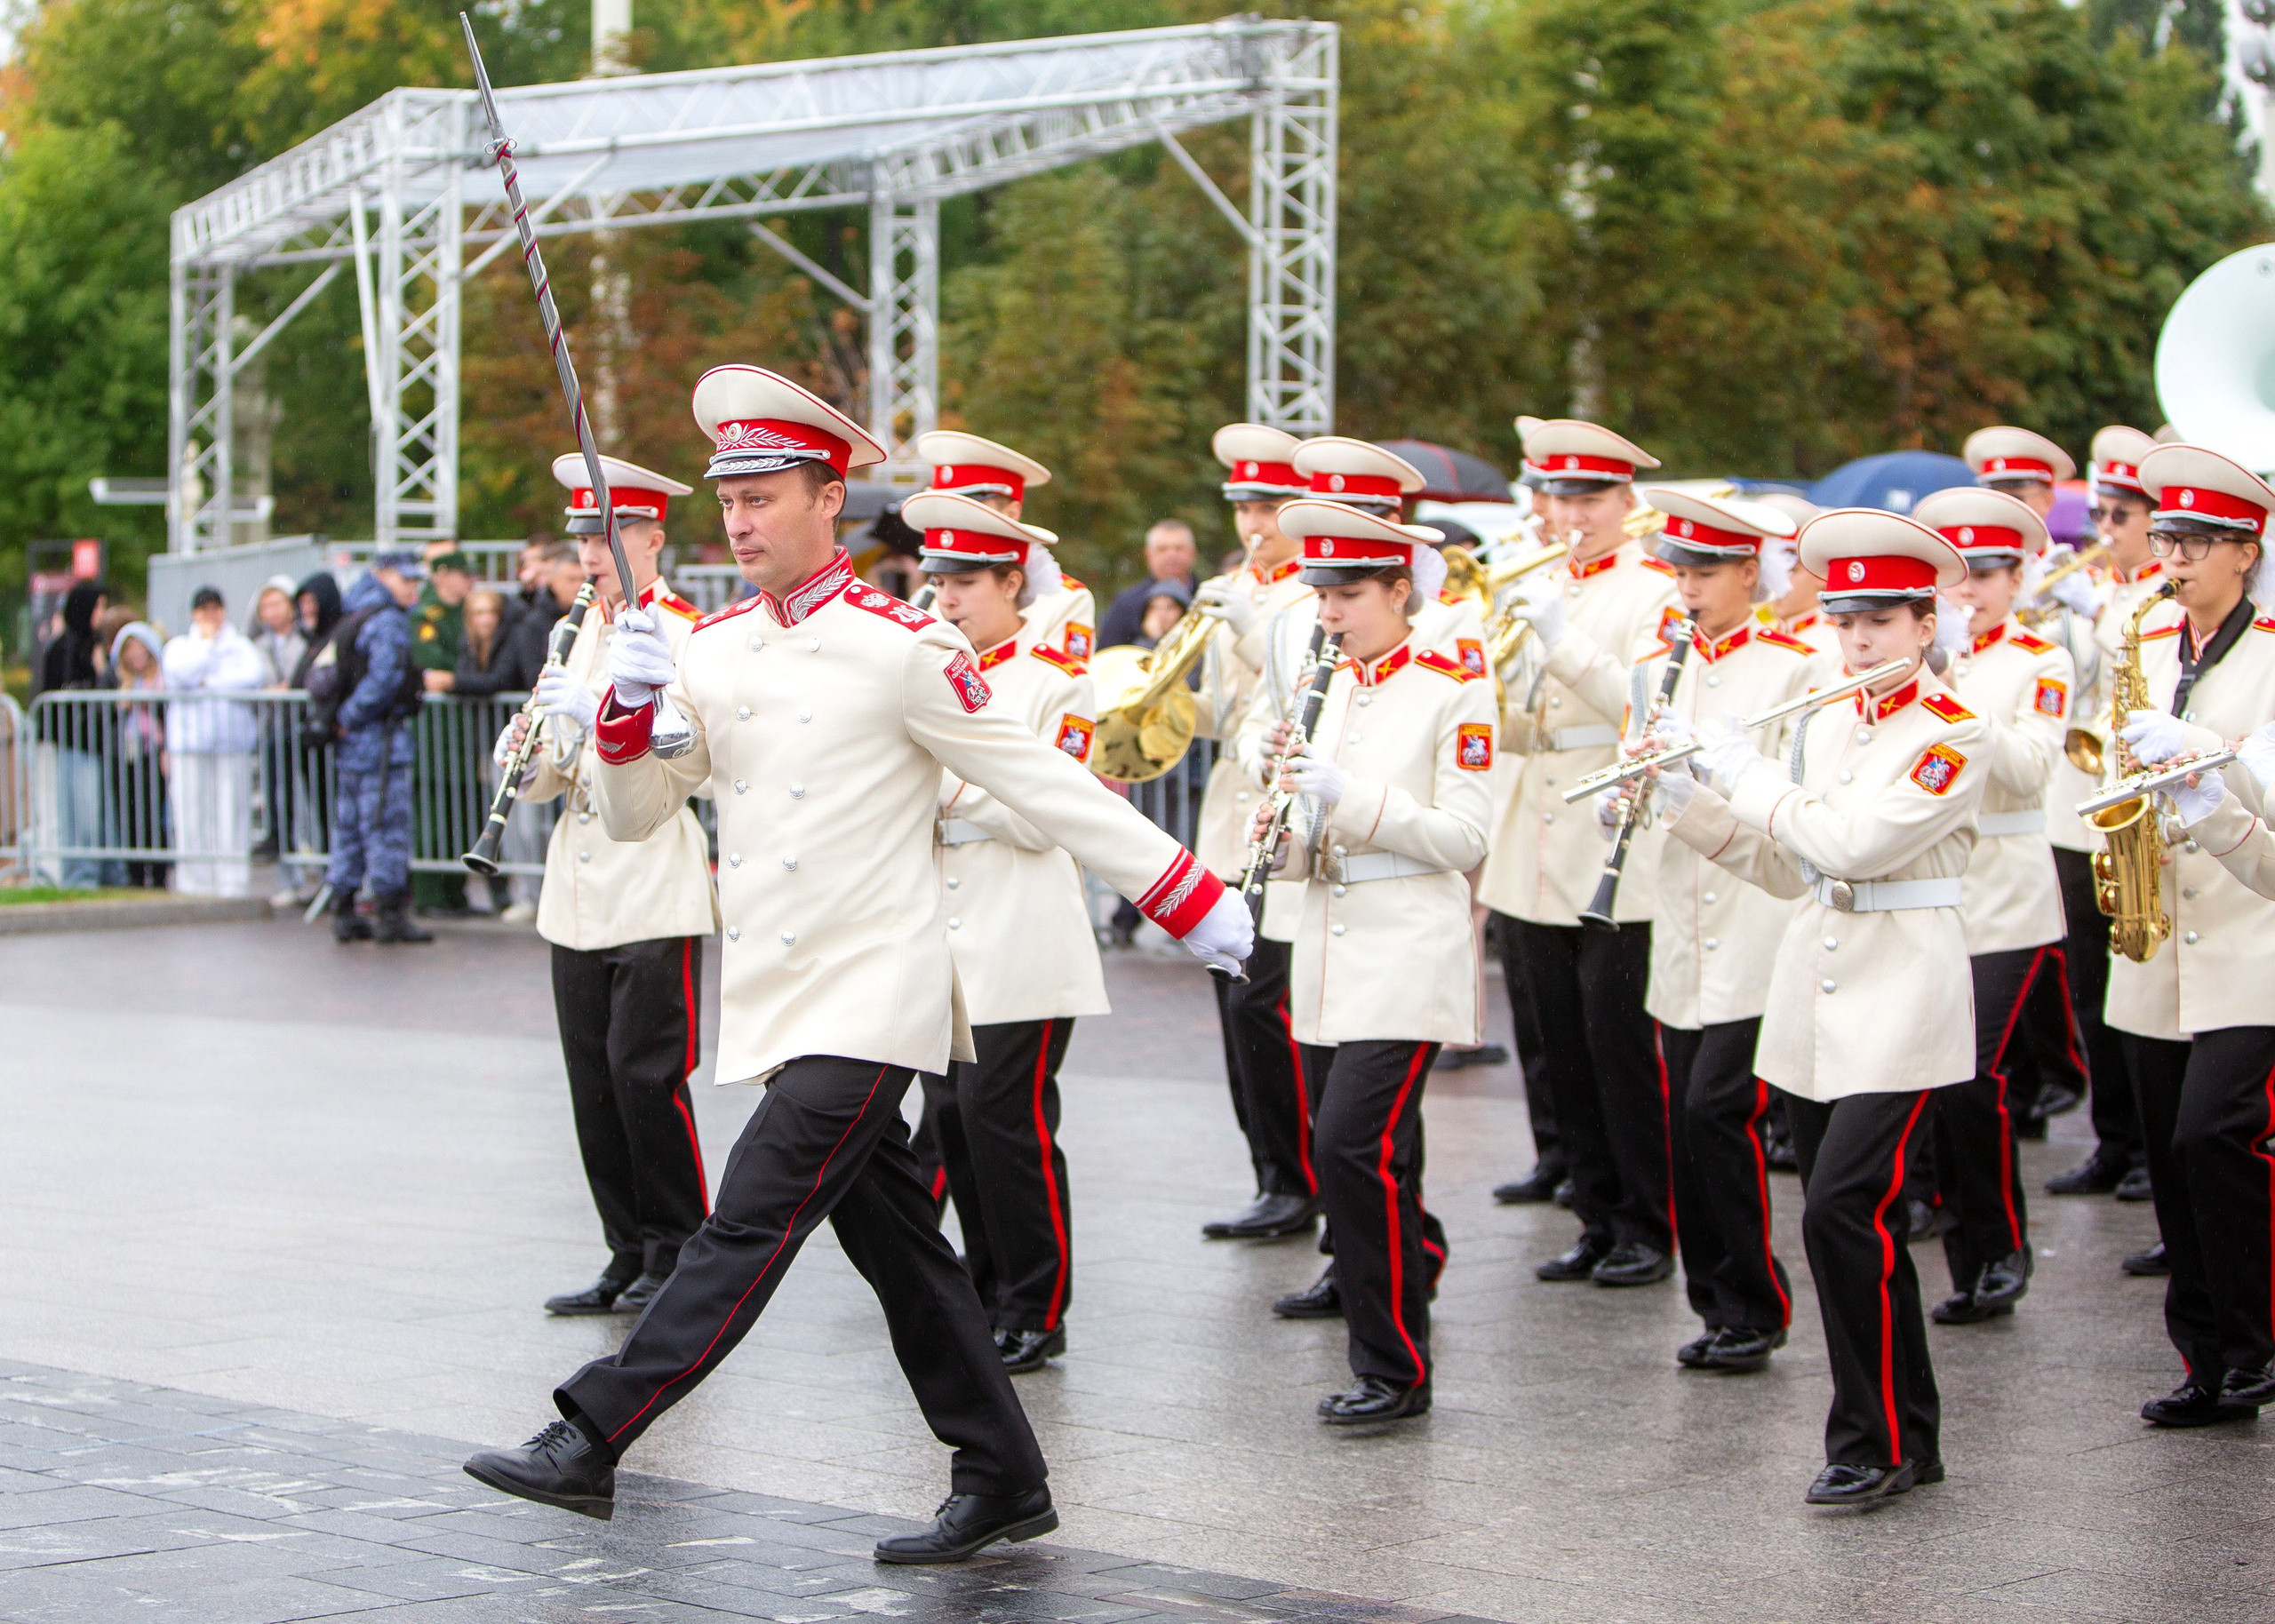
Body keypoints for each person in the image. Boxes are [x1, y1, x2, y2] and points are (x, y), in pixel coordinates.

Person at [464, 364, 1253, 1561]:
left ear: (830, 499)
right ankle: (1000, 1472)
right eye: (728, 499)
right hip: (784, 996)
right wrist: (624, 722)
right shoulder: (712, 649)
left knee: (745, 1222)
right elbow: (633, 817)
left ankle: (592, 1434)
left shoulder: (905, 646)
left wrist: (1181, 891)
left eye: (765, 495)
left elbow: (1035, 777)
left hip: (876, 993)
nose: (739, 521)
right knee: (899, 1246)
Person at [1653, 508, 1981, 1505]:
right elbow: (1792, 866)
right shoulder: (1829, 717)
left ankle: (1871, 1439)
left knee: (1845, 1207)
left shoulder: (1954, 736)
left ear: (1924, 625)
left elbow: (1851, 843)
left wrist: (1742, 772)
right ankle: (1902, 1433)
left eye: (1879, 620)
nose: (1857, 640)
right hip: (1814, 981)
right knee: (1841, 1220)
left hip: (1902, 988)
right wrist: (1689, 800)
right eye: (1844, 620)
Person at [1245, 498, 1494, 1422]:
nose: (1330, 613)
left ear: (1400, 589)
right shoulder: (1330, 683)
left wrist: (1346, 797)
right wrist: (1280, 818)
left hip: (1404, 949)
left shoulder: (1453, 685)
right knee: (1369, 1153)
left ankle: (1393, 1366)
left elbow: (1465, 835)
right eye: (1322, 595)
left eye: (1349, 595)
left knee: (1351, 1147)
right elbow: (1312, 828)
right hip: (1327, 947)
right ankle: (1383, 1313)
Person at [1600, 489, 1819, 1373]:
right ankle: (1716, 1298)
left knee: (1715, 1108)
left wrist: (1704, 781)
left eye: (1703, 572)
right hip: (1679, 916)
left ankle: (1755, 1300)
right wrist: (1632, 791)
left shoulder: (1794, 666)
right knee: (1685, 1118)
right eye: (1678, 572)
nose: (1686, 589)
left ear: (1746, 573)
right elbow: (1634, 765)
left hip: (1757, 913)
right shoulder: (1659, 667)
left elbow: (1794, 791)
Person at [492, 453, 717, 1320]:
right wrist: (534, 750)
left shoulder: (684, 631)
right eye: (585, 533)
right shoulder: (578, 628)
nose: (592, 552)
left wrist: (611, 717)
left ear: (653, 534)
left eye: (612, 531)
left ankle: (678, 1245)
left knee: (644, 1074)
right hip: (577, 887)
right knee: (591, 1080)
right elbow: (557, 773)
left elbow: (691, 755)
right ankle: (625, 1247)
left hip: (653, 875)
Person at [906, 488, 1109, 1374]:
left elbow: (1047, 812)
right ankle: (986, 1293)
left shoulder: (1055, 679)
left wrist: (942, 804)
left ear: (1012, 583)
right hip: (945, 937)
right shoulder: (932, 669)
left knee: (1007, 1124)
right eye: (938, 580)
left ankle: (1037, 1303)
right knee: (952, 1122)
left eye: (965, 582)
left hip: (1024, 937)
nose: (945, 599)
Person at [1477, 418, 1682, 1288]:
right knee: (1556, 1042)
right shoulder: (1536, 582)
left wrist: (1559, 637)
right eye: (1556, 495)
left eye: (1588, 496)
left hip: (1613, 837)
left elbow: (1647, 703)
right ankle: (1594, 1215)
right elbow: (1519, 720)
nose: (1569, 512)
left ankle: (1646, 1220)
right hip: (1534, 837)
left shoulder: (1655, 588)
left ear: (1625, 500)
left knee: (1617, 1046)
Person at [2099, 442, 2275, 1427]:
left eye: (2195, 542)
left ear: (2244, 551)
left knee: (2217, 1133)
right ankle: (2204, 1358)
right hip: (2158, 931)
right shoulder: (2147, 638)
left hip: (2252, 930)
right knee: (2170, 1154)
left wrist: (2209, 761)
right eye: (2166, 537)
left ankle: (2256, 1341)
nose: (2173, 559)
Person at [1911, 485, 2081, 1325]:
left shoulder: (2040, 662)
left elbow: (2026, 769)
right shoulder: (1924, 659)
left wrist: (1945, 685)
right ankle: (1963, 1244)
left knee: (1974, 1075)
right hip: (1928, 889)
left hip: (2006, 893)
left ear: (2017, 579)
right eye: (1957, 576)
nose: (1967, 592)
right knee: (1937, 1078)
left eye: (1985, 575)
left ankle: (2001, 1248)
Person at [1188, 425, 1329, 1242]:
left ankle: (1297, 1176)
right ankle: (1270, 1171)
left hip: (1282, 830)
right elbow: (1220, 711)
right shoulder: (1232, 585)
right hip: (1227, 827)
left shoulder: (1314, 595)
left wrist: (1244, 624)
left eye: (1269, 505)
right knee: (1240, 1014)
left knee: (1269, 1009)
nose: (1254, 522)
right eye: (1244, 504)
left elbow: (1293, 692)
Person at [2040, 426, 2163, 1201]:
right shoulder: (2102, 588)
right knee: (2091, 986)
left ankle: (2155, 1150)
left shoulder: (2162, 593)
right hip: (2076, 807)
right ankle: (2114, 1140)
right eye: (2104, 514)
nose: (2105, 530)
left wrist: (2092, 617)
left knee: (2141, 989)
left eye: (2121, 515)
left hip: (2137, 809)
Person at [318, 550, 433, 944]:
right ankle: (389, 913)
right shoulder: (387, 620)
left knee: (348, 826)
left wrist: (344, 720)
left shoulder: (356, 611)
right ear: (382, 575)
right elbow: (385, 679)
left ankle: (344, 908)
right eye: (406, 580)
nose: (413, 588)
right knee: (386, 826)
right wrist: (352, 717)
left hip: (355, 742)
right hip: (380, 739)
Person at [913, 430, 1095, 663]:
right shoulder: (929, 598)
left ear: (1012, 513)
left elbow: (1055, 686)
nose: (952, 522)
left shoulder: (1066, 599)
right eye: (943, 509)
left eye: (968, 510)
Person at [162, 585, 266, 898]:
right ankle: (195, 880)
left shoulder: (240, 646)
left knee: (232, 811)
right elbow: (179, 675)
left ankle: (233, 879)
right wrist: (206, 647)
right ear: (195, 614)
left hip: (231, 741)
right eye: (204, 610)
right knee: (190, 811)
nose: (211, 616)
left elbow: (251, 678)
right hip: (190, 744)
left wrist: (209, 682)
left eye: (215, 609)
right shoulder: (181, 646)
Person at [411, 552, 479, 918]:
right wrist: (468, 675)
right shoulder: (427, 615)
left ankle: (456, 893)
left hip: (464, 732)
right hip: (435, 732)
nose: (467, 581)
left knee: (462, 814)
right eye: (460, 574)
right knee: (433, 816)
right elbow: (430, 661)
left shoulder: (468, 612)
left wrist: (461, 677)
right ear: (442, 575)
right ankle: (429, 894)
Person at [36, 579, 111, 888]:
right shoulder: (67, 647)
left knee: (91, 810)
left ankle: (96, 872)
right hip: (75, 741)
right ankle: (81, 874)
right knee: (78, 812)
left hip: (95, 742)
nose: (102, 613)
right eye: (99, 606)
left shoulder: (95, 643)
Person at [105, 620, 171, 888]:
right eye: (128, 651)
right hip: (128, 755)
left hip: (153, 752)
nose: (135, 656)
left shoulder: (162, 680)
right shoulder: (123, 683)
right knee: (129, 812)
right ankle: (133, 874)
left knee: (153, 811)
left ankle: (157, 874)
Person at [1098, 520, 1201, 649]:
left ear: (1193, 553)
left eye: (1179, 548)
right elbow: (1108, 656)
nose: (1171, 555)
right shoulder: (1126, 603)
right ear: (1149, 555)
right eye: (1162, 549)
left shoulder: (1209, 597)